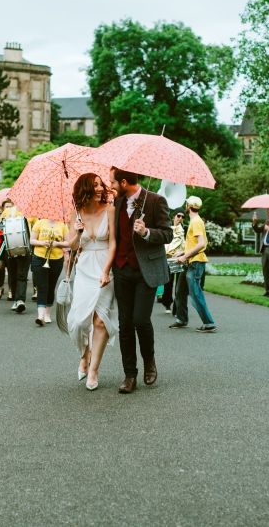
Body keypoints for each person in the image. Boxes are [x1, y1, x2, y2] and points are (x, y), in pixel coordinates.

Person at [110, 167, 172, 394]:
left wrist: (147, 232)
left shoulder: (156, 201)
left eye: (113, 183)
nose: (111, 187)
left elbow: (168, 234)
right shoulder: (117, 203)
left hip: (146, 270)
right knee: (125, 324)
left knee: (140, 320)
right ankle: (129, 375)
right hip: (122, 270)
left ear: (124, 182)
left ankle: (149, 361)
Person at [66, 173, 118, 391]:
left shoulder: (110, 210)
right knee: (79, 321)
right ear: (85, 189)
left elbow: (114, 243)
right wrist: (78, 233)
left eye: (101, 184)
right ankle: (84, 353)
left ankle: (94, 369)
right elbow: (73, 247)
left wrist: (106, 270)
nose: (100, 188)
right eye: (95, 185)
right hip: (85, 268)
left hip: (106, 267)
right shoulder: (75, 214)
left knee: (99, 321)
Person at [175, 196, 216, 332]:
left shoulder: (196, 222)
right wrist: (182, 254)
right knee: (180, 291)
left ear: (188, 206)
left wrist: (185, 255)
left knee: (195, 294)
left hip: (196, 262)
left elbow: (201, 244)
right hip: (189, 261)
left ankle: (209, 322)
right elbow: (193, 243)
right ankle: (181, 319)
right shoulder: (194, 221)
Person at [30, 217, 70, 326]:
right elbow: (32, 240)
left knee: (51, 286)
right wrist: (42, 243)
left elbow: (69, 242)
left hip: (56, 259)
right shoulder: (39, 223)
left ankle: (47, 313)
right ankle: (40, 315)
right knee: (42, 286)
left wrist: (57, 244)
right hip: (39, 257)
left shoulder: (62, 225)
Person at [0, 199, 31, 313]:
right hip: (10, 248)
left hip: (25, 248)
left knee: (22, 275)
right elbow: (0, 227)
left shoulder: (30, 211)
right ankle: (15, 299)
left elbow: (31, 229)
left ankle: (20, 300)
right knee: (12, 275)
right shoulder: (7, 212)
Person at [162, 211, 186, 314]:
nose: (180, 218)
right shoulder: (168, 229)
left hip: (180, 259)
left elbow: (187, 243)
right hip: (168, 258)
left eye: (182, 216)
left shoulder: (185, 229)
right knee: (168, 283)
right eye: (178, 216)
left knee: (179, 285)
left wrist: (183, 253)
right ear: (174, 217)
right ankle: (167, 304)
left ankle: (177, 307)